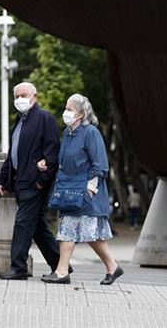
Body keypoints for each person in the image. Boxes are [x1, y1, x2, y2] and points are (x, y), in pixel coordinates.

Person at [40, 93, 123, 285]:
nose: (66, 112)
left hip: (85, 192)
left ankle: (68, 271)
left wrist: (91, 189)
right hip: (69, 190)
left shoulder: (91, 133)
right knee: (74, 232)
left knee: (84, 233)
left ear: (81, 114)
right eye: (66, 108)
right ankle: (67, 270)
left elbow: (100, 164)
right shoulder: (68, 133)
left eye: (70, 109)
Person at [0, 82, 63, 280]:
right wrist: (3, 181)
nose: (19, 100)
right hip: (21, 183)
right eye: (16, 96)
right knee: (38, 228)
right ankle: (61, 265)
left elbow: (52, 153)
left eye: (24, 95)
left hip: (34, 184)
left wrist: (40, 182)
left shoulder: (45, 119)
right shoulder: (18, 122)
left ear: (35, 97)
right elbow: (13, 156)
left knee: (23, 223)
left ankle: (18, 268)